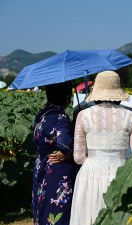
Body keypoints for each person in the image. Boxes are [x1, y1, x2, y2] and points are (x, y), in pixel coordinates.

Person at [70, 71, 132, 225]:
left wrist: (93, 160)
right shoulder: (131, 116)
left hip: (90, 174)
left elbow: (78, 158)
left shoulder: (83, 115)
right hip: (121, 173)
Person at [32, 81, 78, 225]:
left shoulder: (41, 114)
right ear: (66, 97)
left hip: (41, 165)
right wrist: (71, 152)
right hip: (56, 171)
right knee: (56, 211)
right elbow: (64, 144)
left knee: (42, 207)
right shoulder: (60, 118)